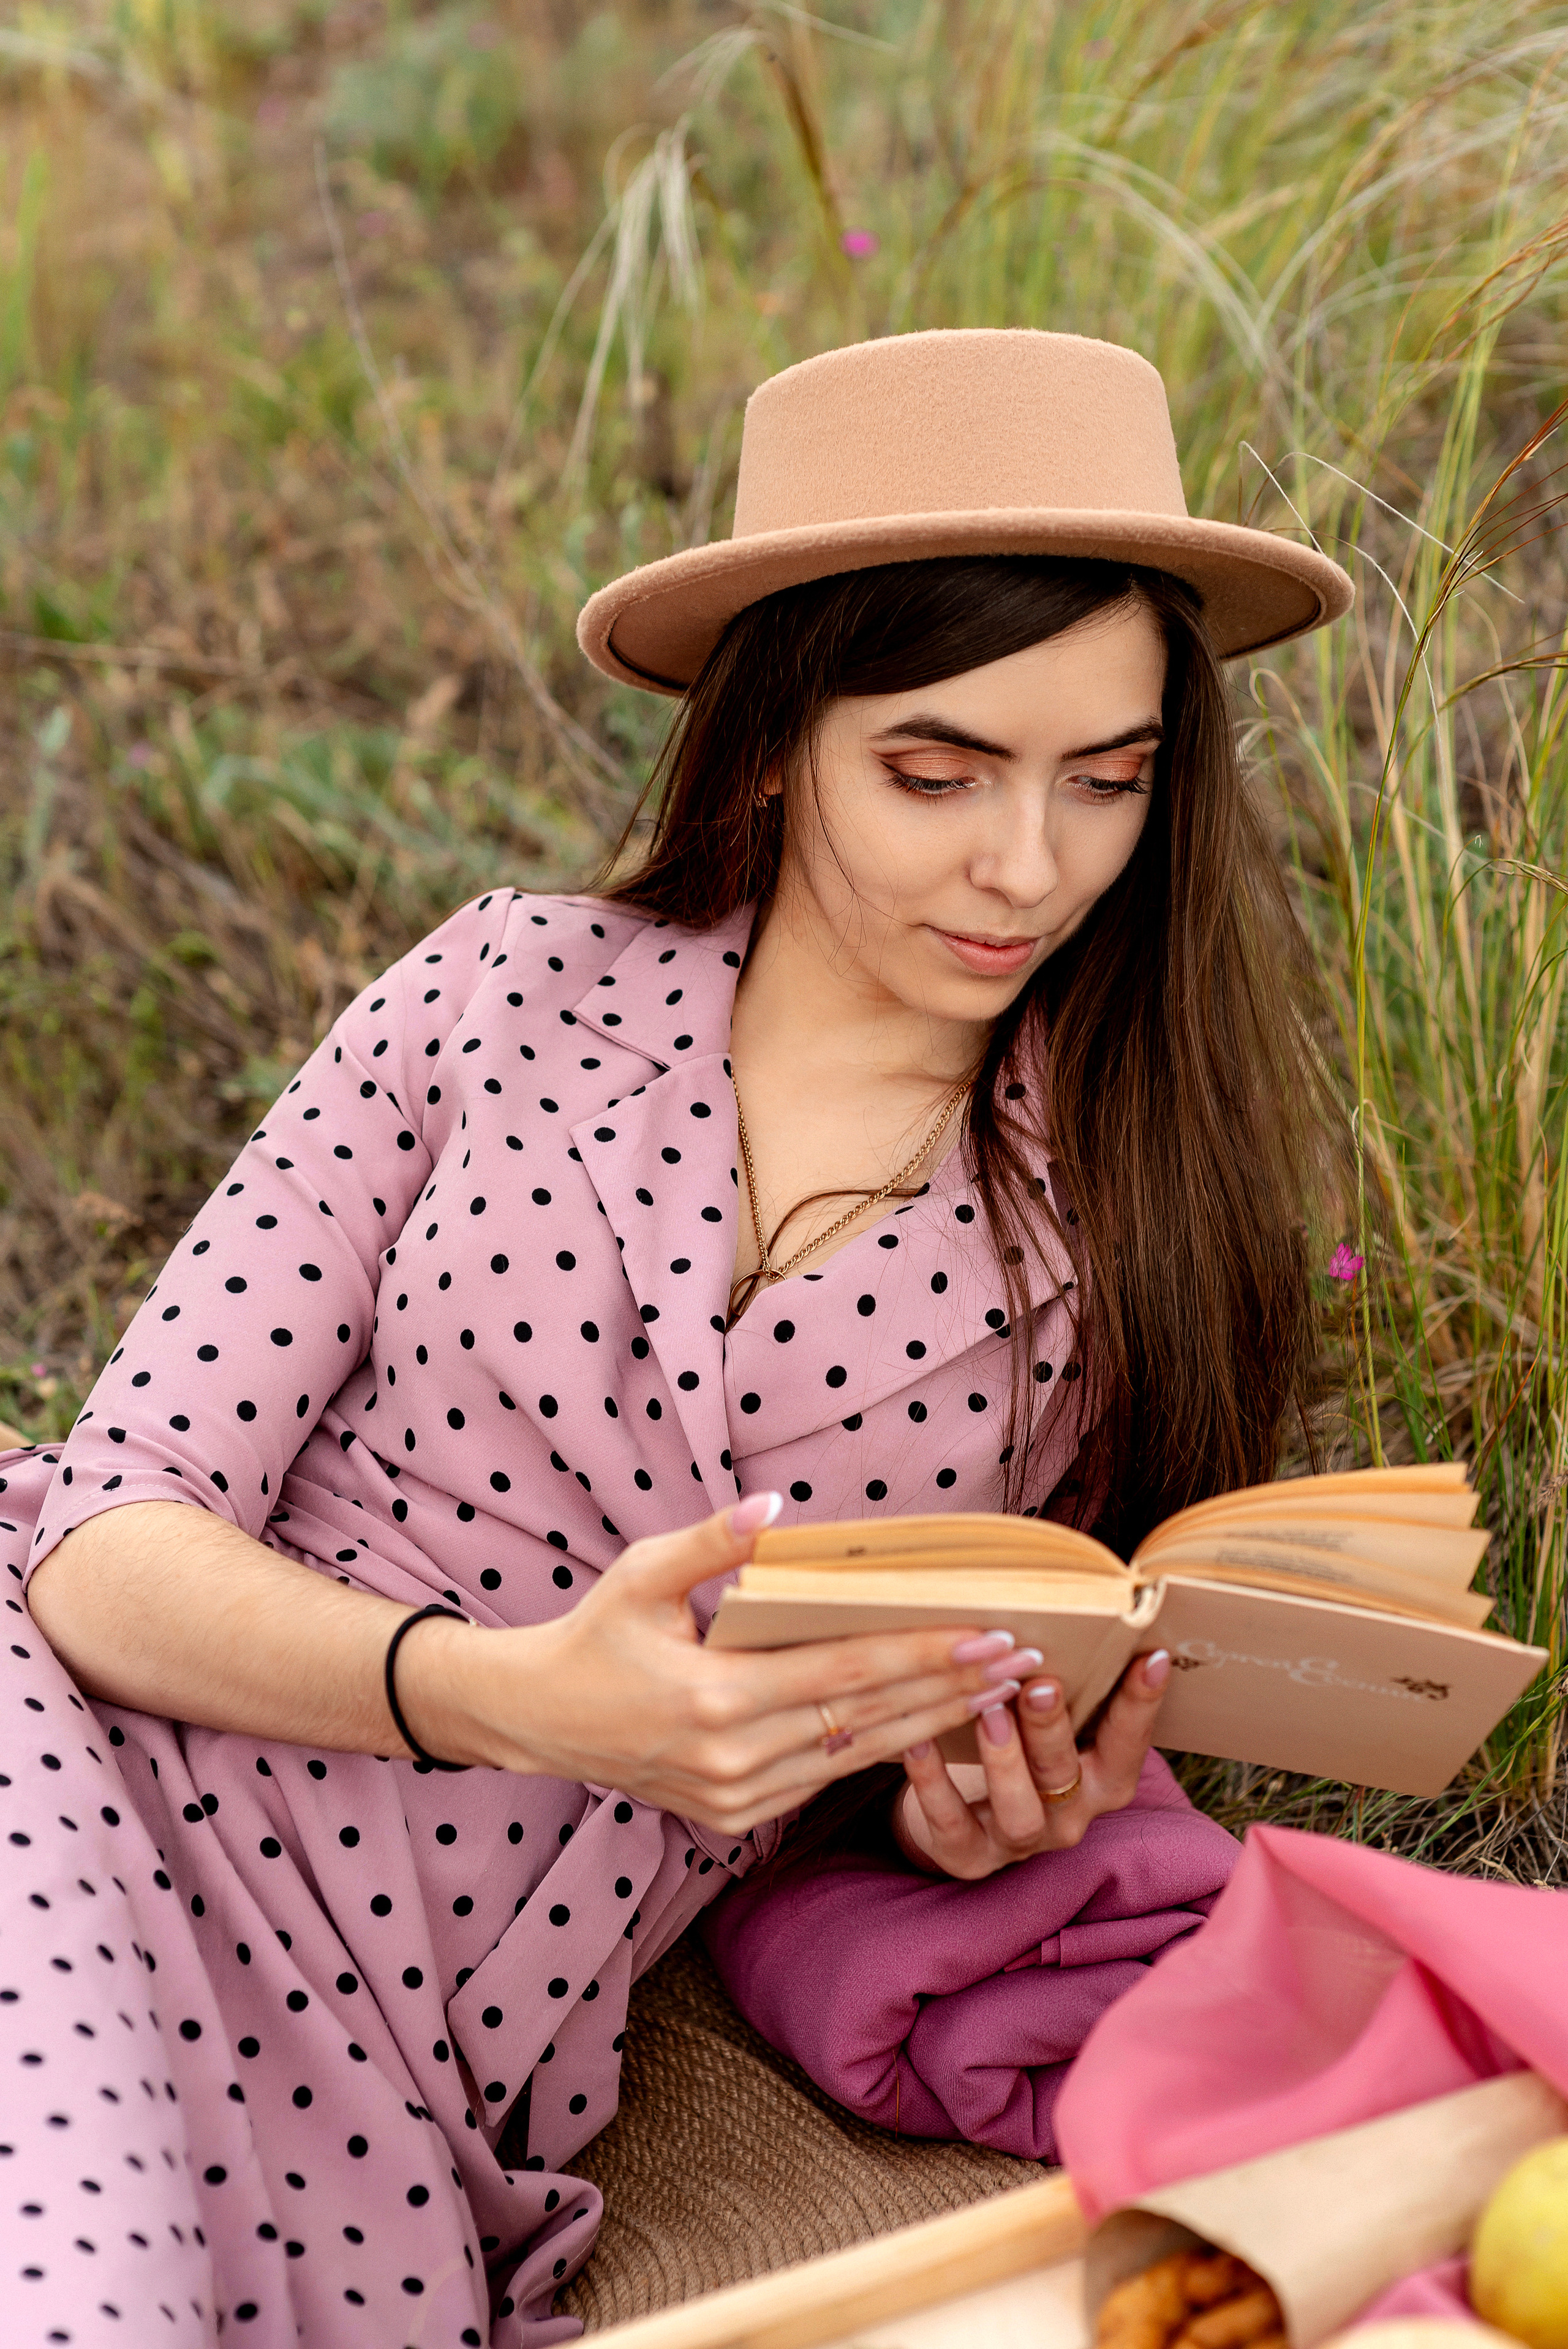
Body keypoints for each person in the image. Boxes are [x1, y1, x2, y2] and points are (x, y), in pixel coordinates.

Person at [1, 328, 1352, 2349]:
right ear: (778, 732)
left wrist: (959, 1812)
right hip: (86, 1791)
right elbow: (101, 1538)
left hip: (415, 2088)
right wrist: (514, 1693)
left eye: (1107, 782)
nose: (1026, 864)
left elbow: (908, 1747)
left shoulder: (1125, 1217)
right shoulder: (501, 995)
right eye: (938, 767)